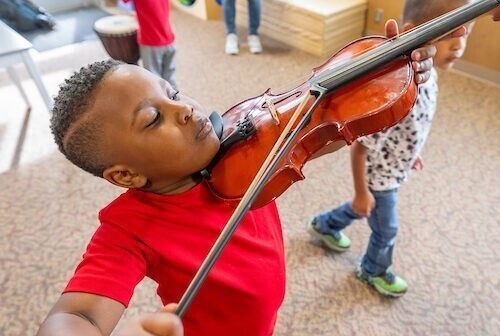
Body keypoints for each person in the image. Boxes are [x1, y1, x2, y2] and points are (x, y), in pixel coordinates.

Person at [36, 20, 437, 335]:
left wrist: (385, 74)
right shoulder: (127, 230)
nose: (186, 110)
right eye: (154, 118)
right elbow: (78, 315)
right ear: (126, 174)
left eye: (172, 94)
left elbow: (319, 132)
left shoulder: (242, 140)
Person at [307, 0, 476, 298]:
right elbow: (360, 147)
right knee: (386, 229)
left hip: (396, 166)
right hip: (379, 178)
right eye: (452, 33)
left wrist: (413, 152)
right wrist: (362, 190)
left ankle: (324, 225)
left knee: (364, 209)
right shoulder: (396, 97)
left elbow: (416, 125)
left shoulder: (429, 74)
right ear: (414, 34)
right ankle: (373, 269)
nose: (460, 44)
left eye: (467, 32)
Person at [121, 0, 178, 89]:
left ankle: (160, 101)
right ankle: (176, 100)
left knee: (153, 79)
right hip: (170, 40)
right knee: (169, 78)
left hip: (152, 43)